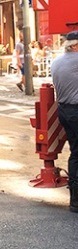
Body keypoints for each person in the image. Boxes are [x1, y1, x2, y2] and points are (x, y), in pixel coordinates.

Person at [50, 31, 78, 212]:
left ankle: (75, 200)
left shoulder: (56, 62)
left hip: (64, 111)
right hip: (76, 110)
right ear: (75, 46)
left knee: (75, 153)